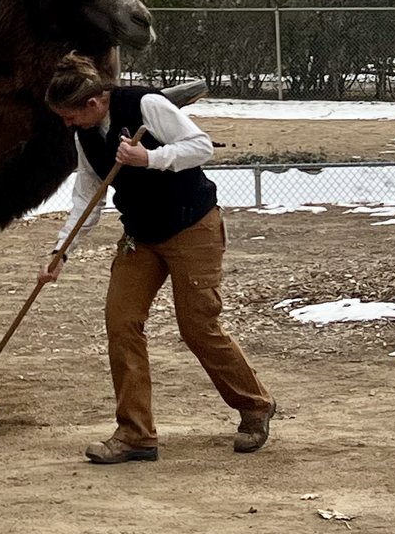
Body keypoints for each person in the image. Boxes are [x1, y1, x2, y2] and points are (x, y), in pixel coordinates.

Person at [38, 52, 275, 464]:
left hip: (192, 226)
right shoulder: (86, 136)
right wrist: (62, 252)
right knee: (122, 322)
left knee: (197, 325)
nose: (67, 124)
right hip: (141, 236)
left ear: (92, 104)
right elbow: (86, 200)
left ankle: (255, 406)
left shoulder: (146, 105)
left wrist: (150, 158)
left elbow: (201, 147)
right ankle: (135, 435)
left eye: (70, 116)